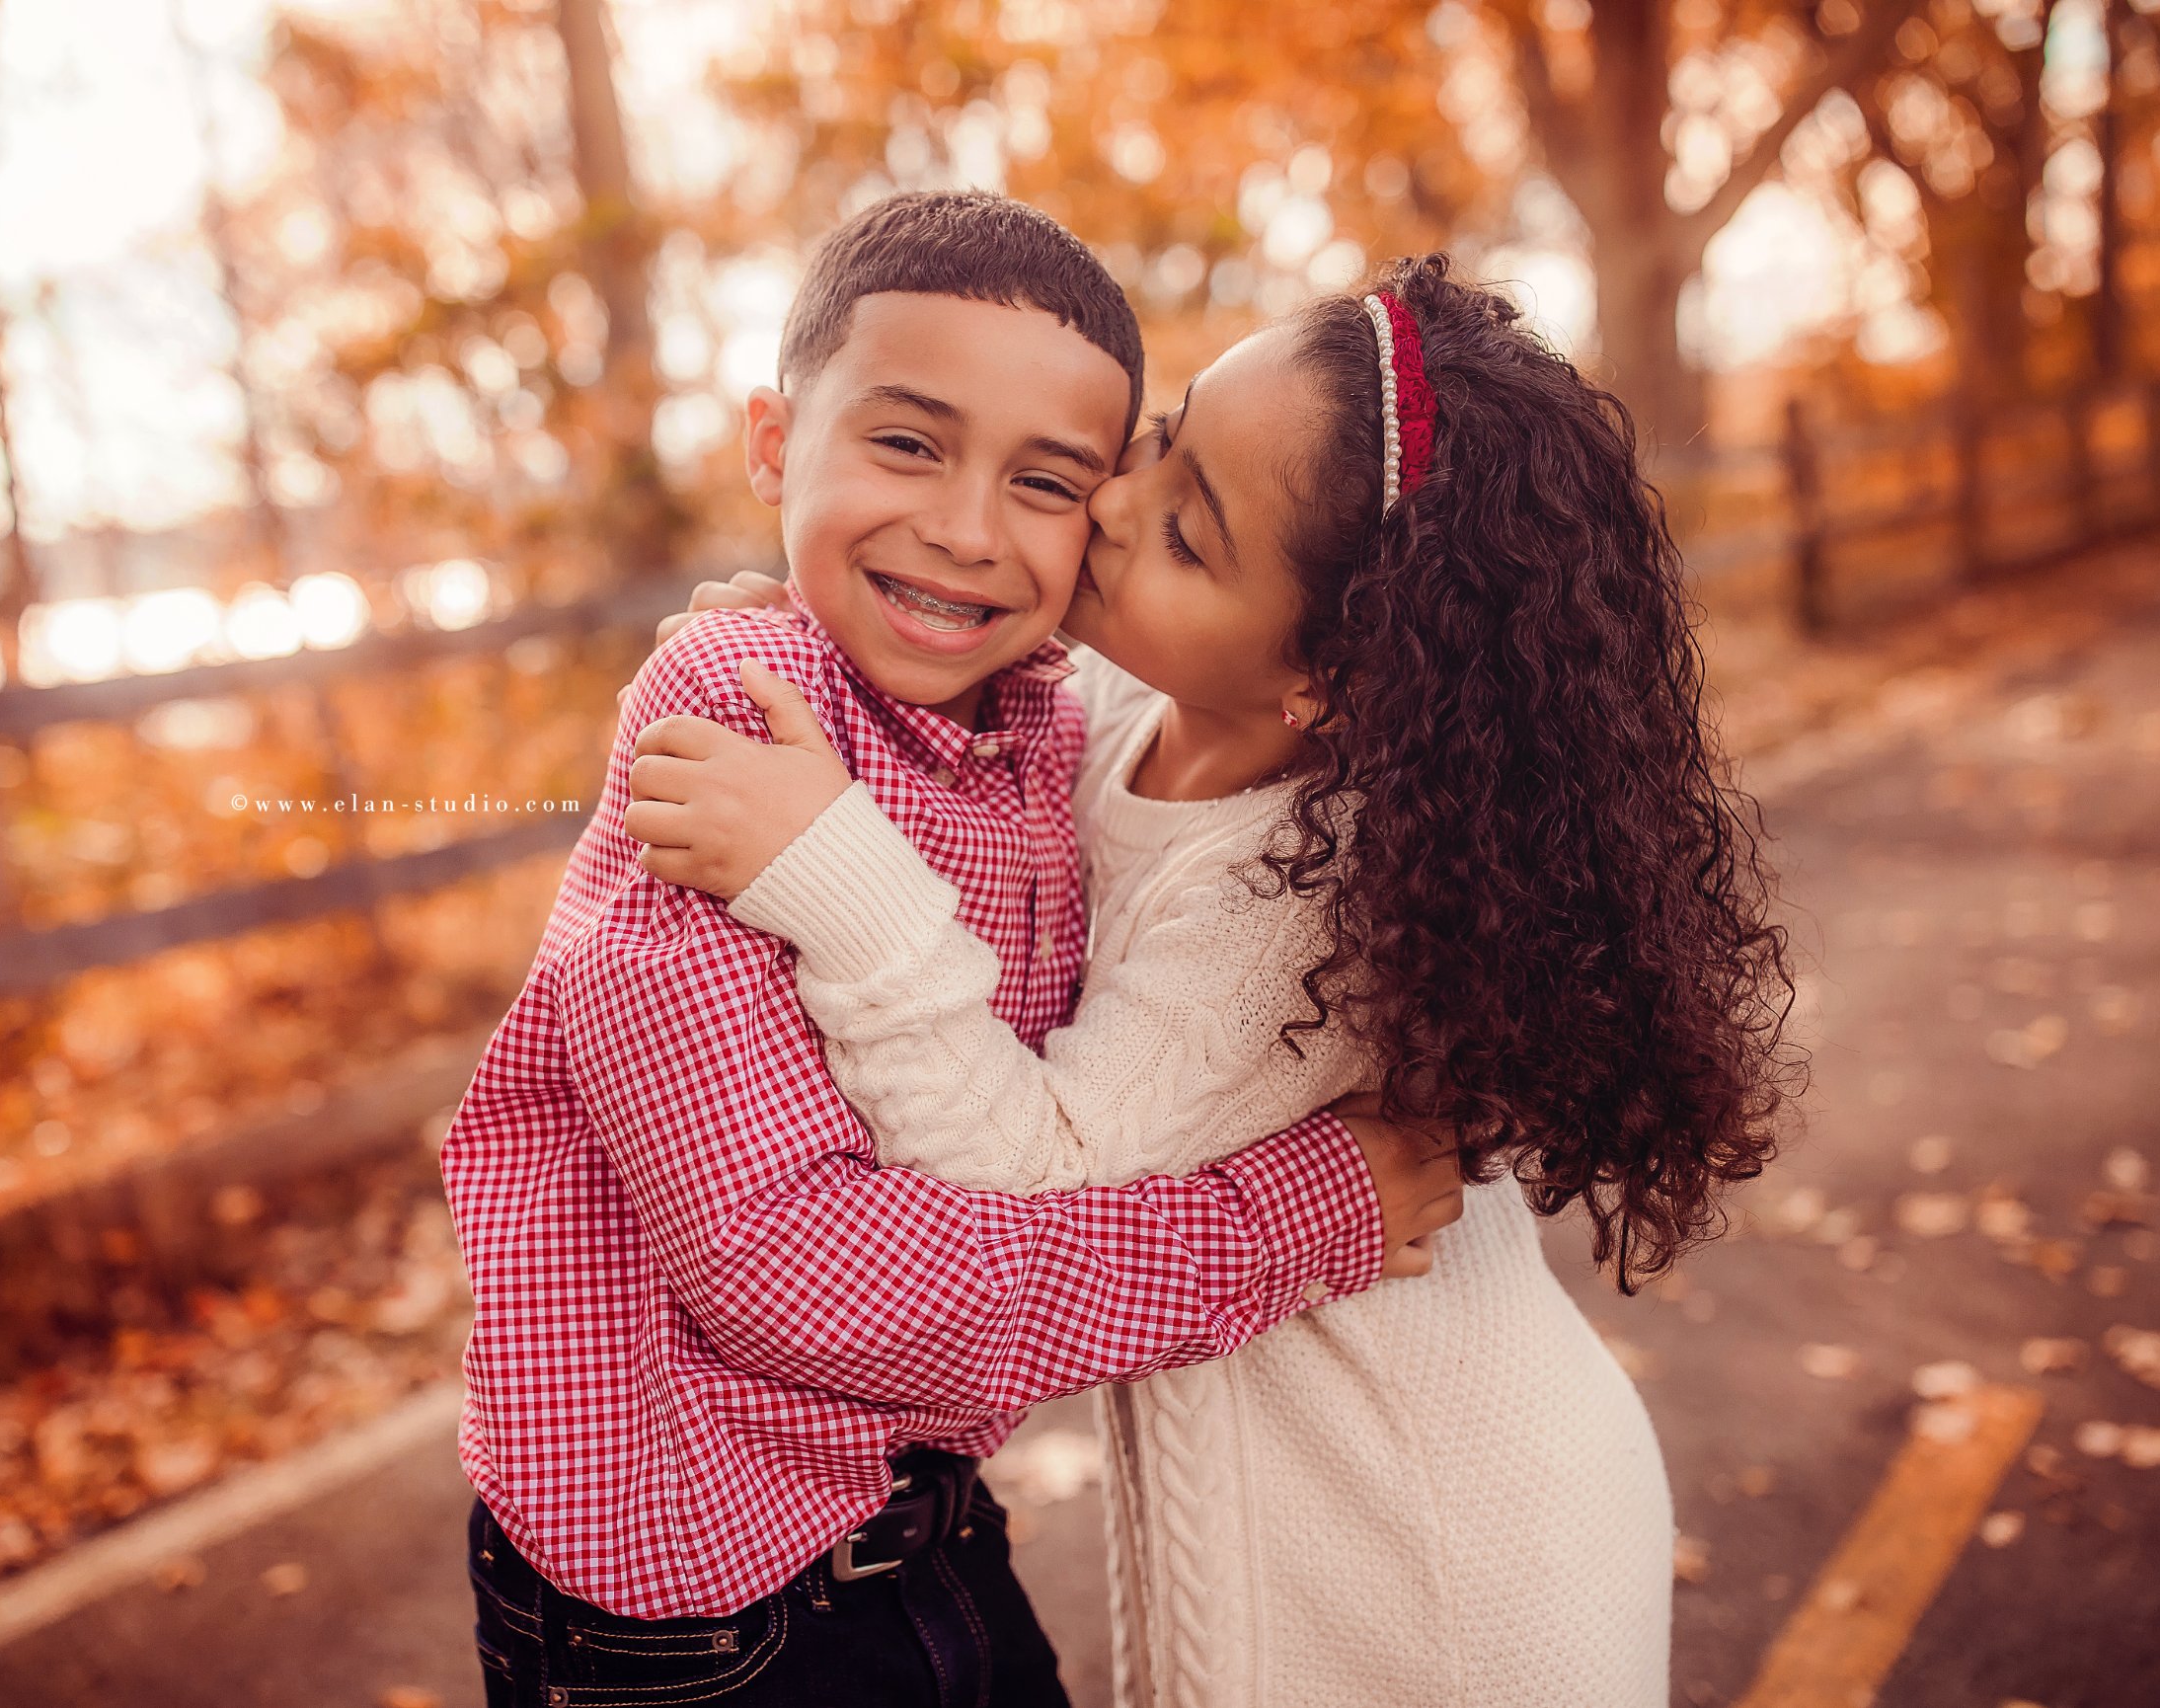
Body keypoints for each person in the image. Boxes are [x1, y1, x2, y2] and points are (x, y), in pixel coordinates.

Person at [628, 253, 1800, 1707]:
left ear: (1333, 678)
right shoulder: (1135, 702)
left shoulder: (1308, 901)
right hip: (1267, 1512)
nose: (1111, 503)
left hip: (1435, 1557)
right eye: (1168, 433)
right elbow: (966, 727)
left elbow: (1026, 1165)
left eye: (1189, 533)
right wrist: (808, 653)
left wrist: (827, 866)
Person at [439, 193, 1464, 1708]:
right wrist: (1289, 1223)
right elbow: (794, 1278)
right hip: (697, 1616)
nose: (970, 529)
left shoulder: (1045, 709)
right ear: (775, 444)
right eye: (907, 443)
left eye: (1049, 481)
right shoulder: (731, 748)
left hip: (908, 1526)